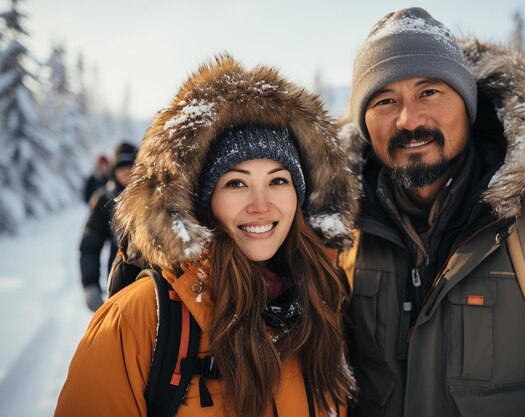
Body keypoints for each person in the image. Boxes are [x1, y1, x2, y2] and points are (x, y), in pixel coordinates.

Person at [338, 7, 525, 417]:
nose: (409, 119)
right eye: (385, 100)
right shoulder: (341, 237)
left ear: (468, 104)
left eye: (429, 92)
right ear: (365, 122)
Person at [55, 55, 358, 417]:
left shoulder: (325, 296)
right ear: (202, 200)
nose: (261, 205)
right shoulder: (141, 319)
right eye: (236, 183)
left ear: (300, 194)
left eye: (278, 180)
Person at [79, 142, 137, 311]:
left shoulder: (155, 196)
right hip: (119, 280)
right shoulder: (104, 200)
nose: (125, 173)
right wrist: (90, 283)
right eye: (120, 169)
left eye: (130, 167)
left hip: (156, 283)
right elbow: (90, 245)